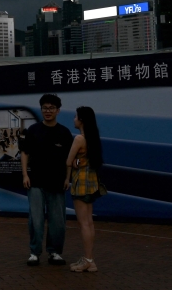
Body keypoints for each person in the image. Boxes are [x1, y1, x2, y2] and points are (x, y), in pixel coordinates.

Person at [19, 94, 73, 266]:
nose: (47, 111)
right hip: (35, 181)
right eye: (44, 108)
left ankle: (55, 252)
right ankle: (34, 252)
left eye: (51, 108)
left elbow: (69, 159)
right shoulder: (34, 130)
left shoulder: (64, 133)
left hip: (57, 182)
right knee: (36, 219)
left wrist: (67, 178)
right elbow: (25, 152)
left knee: (58, 221)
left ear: (58, 110)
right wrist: (25, 175)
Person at [65, 106, 104, 273]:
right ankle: (90, 259)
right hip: (92, 182)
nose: (74, 119)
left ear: (81, 120)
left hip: (80, 182)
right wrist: (78, 162)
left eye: (75, 116)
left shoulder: (79, 139)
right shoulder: (93, 137)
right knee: (89, 222)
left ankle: (88, 260)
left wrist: (75, 163)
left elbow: (68, 161)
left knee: (83, 224)